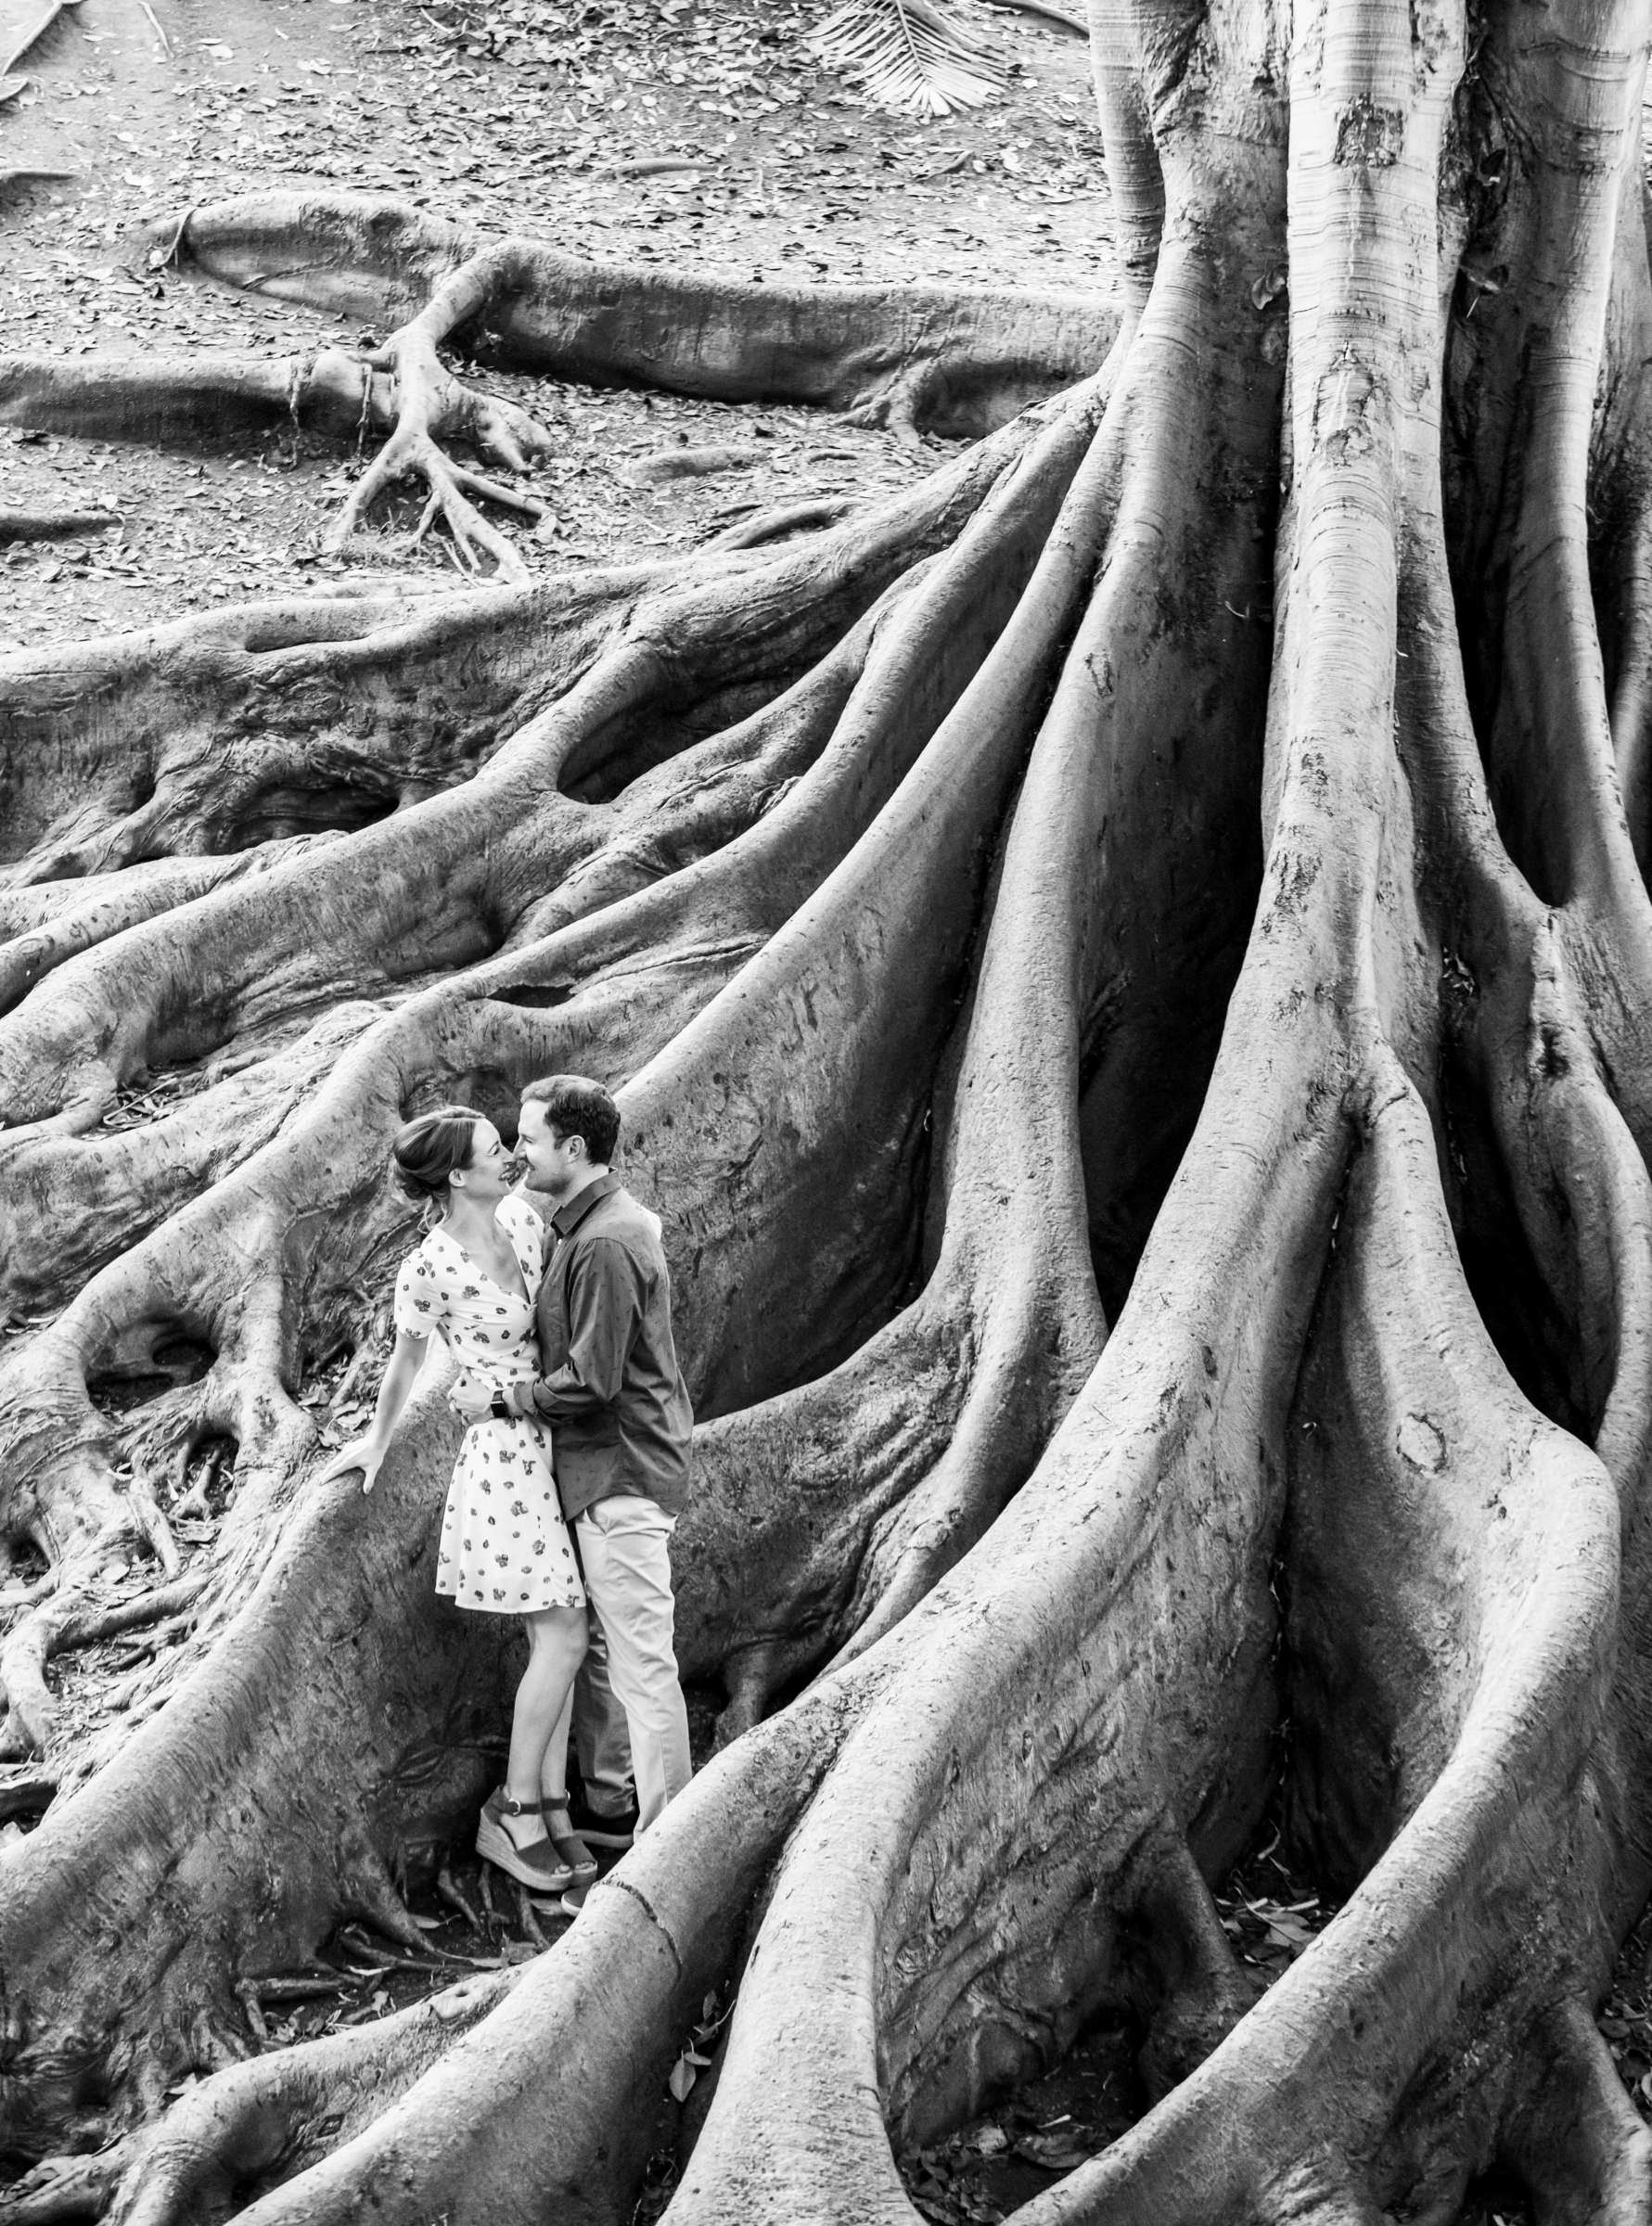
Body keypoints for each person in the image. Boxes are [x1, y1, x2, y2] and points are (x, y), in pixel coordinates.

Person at [316, 1105, 595, 1899]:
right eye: (493, 1151)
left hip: (556, 1433)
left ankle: (549, 1803)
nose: (509, 1157)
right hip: (505, 1457)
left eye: (508, 1145)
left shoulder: (523, 1218)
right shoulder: (427, 1268)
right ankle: (510, 1815)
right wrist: (377, 1440)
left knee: (565, 1634)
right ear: (454, 1177)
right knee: (565, 1632)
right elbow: (404, 1364)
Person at [454, 1073, 694, 1841]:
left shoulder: (604, 1244)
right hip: (594, 1475)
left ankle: (670, 1843)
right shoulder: (591, 1227)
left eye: (529, 1139)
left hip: (619, 1474)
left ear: (575, 1147)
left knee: (642, 1668)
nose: (520, 1153)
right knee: (605, 1658)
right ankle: (613, 1806)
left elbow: (592, 1379)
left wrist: (503, 1403)